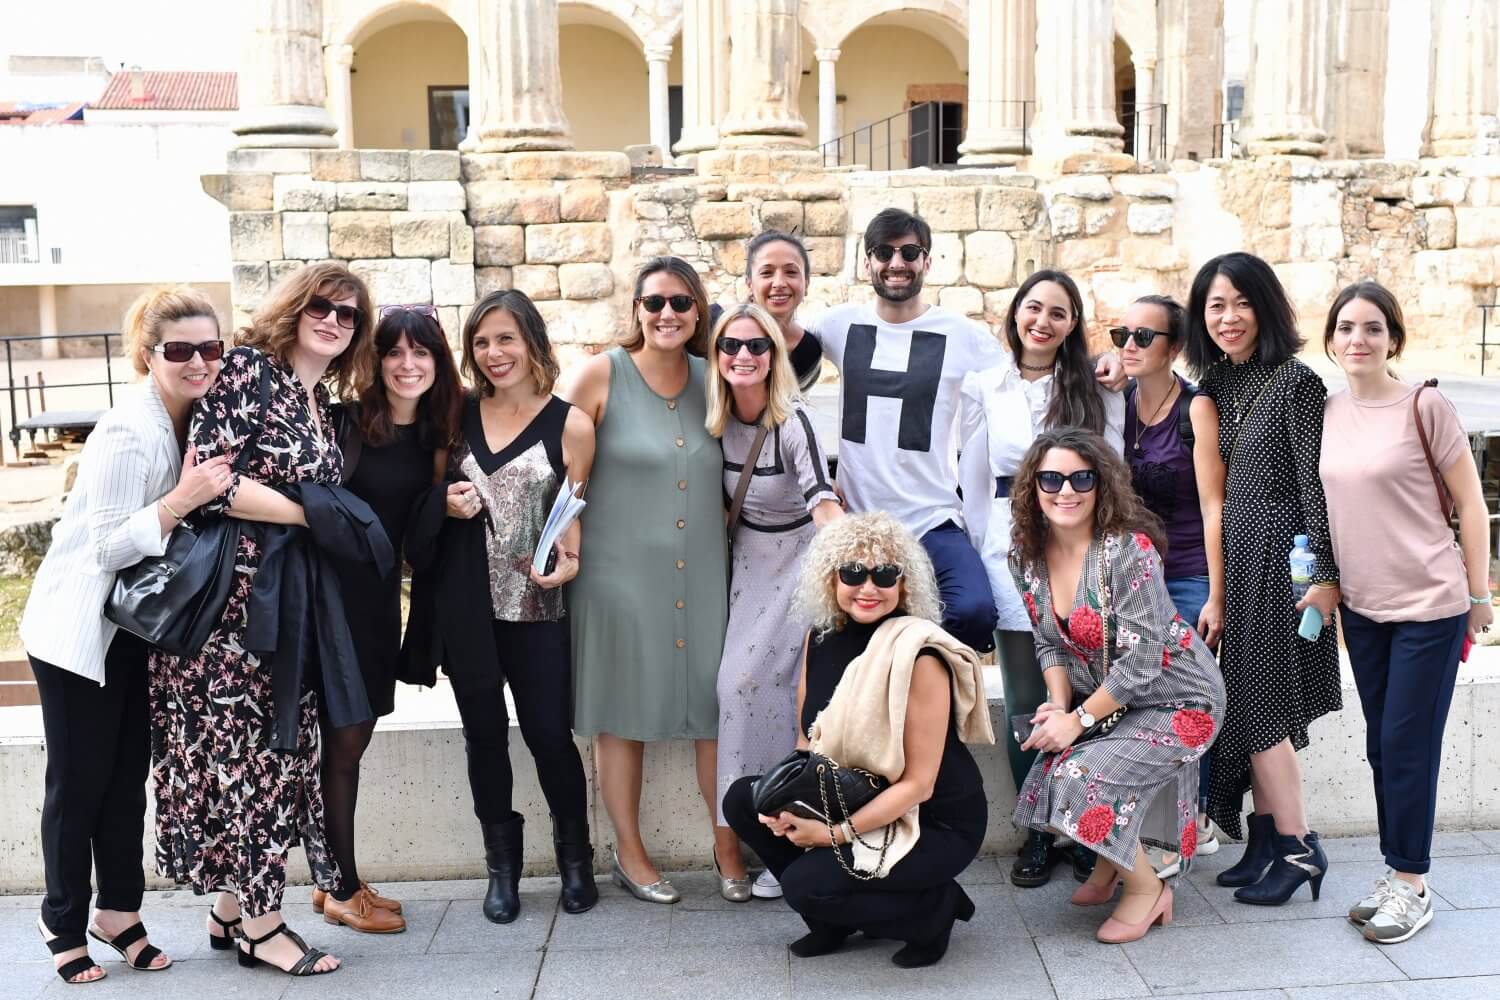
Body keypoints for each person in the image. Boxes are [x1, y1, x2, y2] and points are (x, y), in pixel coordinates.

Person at [150, 262, 383, 977]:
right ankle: (262, 927)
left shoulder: (317, 399)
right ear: (294, 308)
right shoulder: (250, 370)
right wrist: (313, 516)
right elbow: (213, 483)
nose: (333, 321)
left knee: (270, 755)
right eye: (321, 307)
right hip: (232, 612)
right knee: (252, 761)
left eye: (348, 314)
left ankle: (231, 910)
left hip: (285, 605)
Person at [20, 287, 230, 984]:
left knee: (125, 781)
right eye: (180, 350)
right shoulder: (126, 430)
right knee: (78, 783)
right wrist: (181, 500)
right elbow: (108, 546)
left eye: (210, 347)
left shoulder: (196, 414)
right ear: (148, 355)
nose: (198, 361)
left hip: (137, 628)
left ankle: (118, 911)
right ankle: (61, 921)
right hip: (79, 630)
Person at [804, 208, 1127, 654]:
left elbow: (1029, 369)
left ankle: (918, 678)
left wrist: (1098, 363)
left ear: (927, 261)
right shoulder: (836, 324)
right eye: (883, 252)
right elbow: (778, 358)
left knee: (974, 613)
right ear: (866, 262)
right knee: (838, 626)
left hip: (932, 514)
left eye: (909, 253)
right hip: (859, 513)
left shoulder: (962, 335)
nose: (896, 263)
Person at [723, 512, 994, 967]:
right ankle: (831, 920)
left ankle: (933, 913)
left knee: (803, 885)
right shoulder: (820, 637)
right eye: (853, 572)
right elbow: (808, 742)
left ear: (904, 583)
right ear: (831, 578)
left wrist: (831, 835)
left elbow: (920, 785)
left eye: (885, 574)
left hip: (932, 821)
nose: (868, 587)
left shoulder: (920, 656)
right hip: (855, 794)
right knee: (744, 800)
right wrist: (786, 806)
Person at [404, 290, 599, 923]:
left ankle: (576, 861)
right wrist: (444, 503)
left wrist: (570, 560)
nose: (493, 353)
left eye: (506, 338)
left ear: (532, 341)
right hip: (467, 610)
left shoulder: (571, 424)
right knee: (483, 738)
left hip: (538, 611)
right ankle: (502, 871)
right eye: (482, 342)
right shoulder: (454, 416)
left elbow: (571, 515)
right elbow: (428, 493)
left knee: (550, 737)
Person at [1319, 281, 1494, 944]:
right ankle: (1397, 872)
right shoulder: (1329, 411)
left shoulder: (1426, 406)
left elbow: (1471, 505)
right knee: (1380, 745)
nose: (1358, 339)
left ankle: (1413, 885)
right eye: (1346, 328)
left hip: (1430, 604)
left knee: (1406, 745)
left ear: (1393, 338)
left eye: (1373, 327)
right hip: (1364, 609)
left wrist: (1479, 597)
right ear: (1331, 340)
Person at [1007, 428, 1225, 943]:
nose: (1066, 490)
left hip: (1181, 699)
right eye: (1051, 479)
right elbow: (1049, 643)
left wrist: (1079, 720)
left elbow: (1146, 657)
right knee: (1051, 770)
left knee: (1078, 775)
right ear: (1033, 487)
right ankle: (1109, 866)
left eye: (1081, 478)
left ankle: (1147, 889)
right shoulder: (1026, 558)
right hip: (1118, 701)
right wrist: (1057, 706)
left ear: (1101, 484)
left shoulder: (1129, 553)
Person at [559, 257, 730, 902]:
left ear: (698, 311)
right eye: (654, 302)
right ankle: (629, 854)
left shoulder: (716, 378)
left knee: (716, 708)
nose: (667, 314)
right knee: (621, 713)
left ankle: (728, 847)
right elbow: (557, 469)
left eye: (681, 302)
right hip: (617, 577)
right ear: (636, 309)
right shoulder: (600, 374)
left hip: (705, 574)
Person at [957, 268, 1125, 888]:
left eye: (1058, 312)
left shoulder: (1096, 387)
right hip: (1011, 549)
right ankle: (1038, 829)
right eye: (1034, 308)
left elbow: (1115, 471)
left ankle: (1081, 827)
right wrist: (983, 553)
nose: (1043, 322)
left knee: (1084, 696)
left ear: (1073, 323)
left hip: (1082, 551)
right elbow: (973, 480)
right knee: (1028, 699)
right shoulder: (984, 385)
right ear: (1016, 313)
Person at [1183, 251, 1341, 906]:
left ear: (1266, 307)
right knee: (1246, 703)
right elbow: (1213, 502)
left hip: (1285, 561)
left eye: (1242, 303)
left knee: (1265, 706)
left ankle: (1299, 847)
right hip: (1240, 563)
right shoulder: (1216, 387)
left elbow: (1314, 485)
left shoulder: (1297, 383)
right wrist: (1217, 592)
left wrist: (1323, 575)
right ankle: (1268, 838)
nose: (1229, 317)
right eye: (1216, 306)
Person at [314, 303, 463, 933]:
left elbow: (417, 544)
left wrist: (446, 501)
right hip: (326, 601)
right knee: (343, 741)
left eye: (420, 352)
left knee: (353, 739)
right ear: (375, 361)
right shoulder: (345, 423)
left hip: (377, 604)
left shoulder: (436, 436)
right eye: (394, 351)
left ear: (437, 361)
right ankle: (342, 888)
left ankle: (333, 878)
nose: (407, 364)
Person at [707, 302, 842, 901]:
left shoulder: (792, 419)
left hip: (798, 565)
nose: (743, 356)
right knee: (743, 691)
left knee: (764, 692)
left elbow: (822, 500)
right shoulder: (715, 418)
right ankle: (759, 836)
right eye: (731, 345)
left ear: (774, 355)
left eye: (757, 346)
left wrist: (850, 566)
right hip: (744, 564)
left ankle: (783, 835)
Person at [1116, 294, 1227, 872]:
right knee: (1140, 700)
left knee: (1185, 701)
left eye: (1144, 337)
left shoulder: (1195, 407)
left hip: (1187, 574)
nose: (1129, 346)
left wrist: (1216, 593)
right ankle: (1153, 825)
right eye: (1121, 335)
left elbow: (1214, 506)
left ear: (1175, 346)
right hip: (1132, 579)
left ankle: (1194, 820)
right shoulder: (1119, 401)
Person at [744, 229, 824, 390]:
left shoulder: (808, 351)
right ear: (750, 284)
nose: (779, 283)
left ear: (806, 284)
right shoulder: (714, 326)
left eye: (791, 272)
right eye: (767, 273)